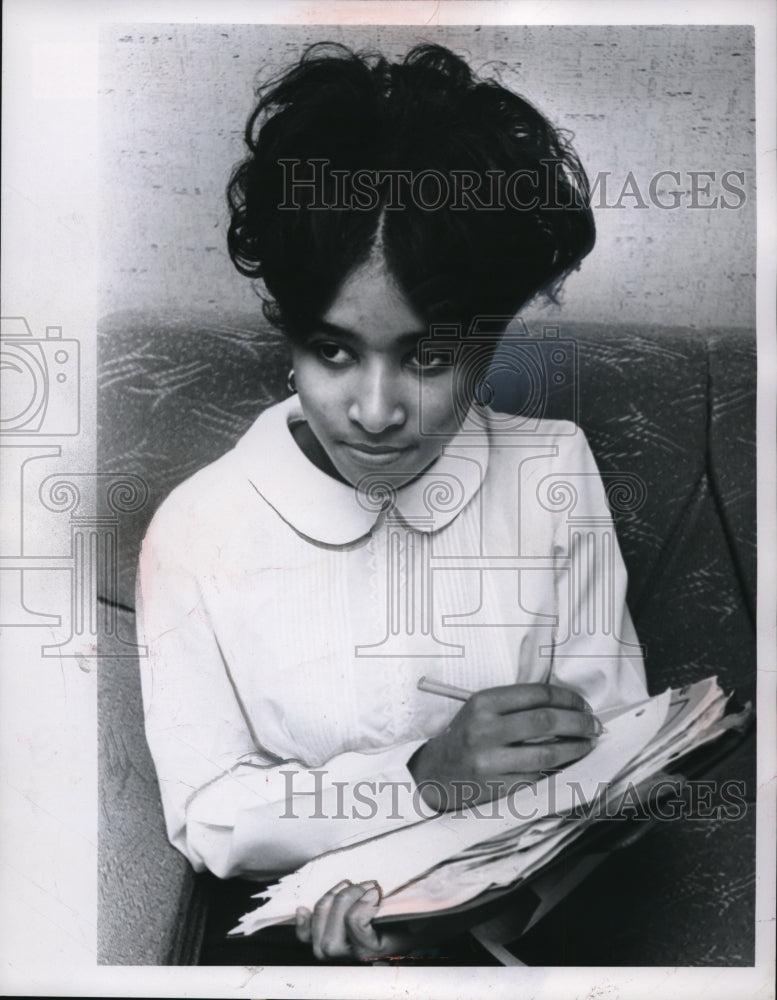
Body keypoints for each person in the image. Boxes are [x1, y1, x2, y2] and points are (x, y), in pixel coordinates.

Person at [136, 42, 648, 964]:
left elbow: (615, 769)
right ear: (288, 329)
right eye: (332, 350)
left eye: (427, 357)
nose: (375, 413)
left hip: (503, 943)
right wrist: (418, 782)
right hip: (283, 947)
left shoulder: (552, 475)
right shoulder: (198, 525)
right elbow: (210, 811)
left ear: (489, 341)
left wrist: (446, 915)